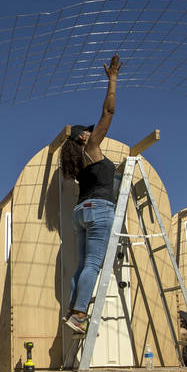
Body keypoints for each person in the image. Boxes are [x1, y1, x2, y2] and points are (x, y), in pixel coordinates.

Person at [61, 54, 122, 335]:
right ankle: (80, 314)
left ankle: (74, 309)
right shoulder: (91, 146)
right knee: (94, 264)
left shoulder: (78, 162)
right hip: (98, 209)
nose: (92, 130)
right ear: (82, 138)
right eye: (87, 131)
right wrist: (113, 79)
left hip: (80, 211)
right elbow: (108, 113)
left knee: (84, 265)